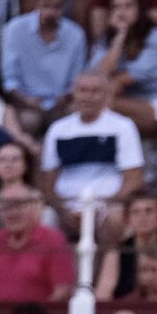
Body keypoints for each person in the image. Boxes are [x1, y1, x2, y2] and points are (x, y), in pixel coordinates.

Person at [42, 70, 144, 225]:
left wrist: (101, 209)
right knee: (45, 217)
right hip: (66, 207)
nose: (88, 96)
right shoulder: (57, 129)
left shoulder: (123, 126)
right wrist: (63, 210)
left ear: (105, 95)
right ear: (74, 93)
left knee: (115, 218)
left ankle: (109, 250)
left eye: (95, 91)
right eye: (82, 91)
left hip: (107, 206)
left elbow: (133, 180)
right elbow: (48, 181)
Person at [0, 0, 87, 135]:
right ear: (37, 1)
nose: (51, 12)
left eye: (57, 6)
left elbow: (76, 78)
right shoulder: (15, 29)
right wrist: (26, 100)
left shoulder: (76, 35)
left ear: (65, 5)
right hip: (25, 104)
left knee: (77, 116)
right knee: (29, 121)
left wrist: (65, 98)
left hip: (62, 105)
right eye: (46, 5)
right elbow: (10, 79)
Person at [88, 0, 157, 138]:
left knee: (94, 102)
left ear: (139, 10)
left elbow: (130, 77)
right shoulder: (106, 41)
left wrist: (109, 83)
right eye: (116, 7)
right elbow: (97, 75)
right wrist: (119, 38)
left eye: (128, 6)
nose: (122, 12)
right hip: (118, 101)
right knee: (93, 99)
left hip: (156, 104)